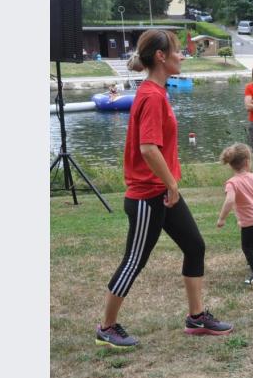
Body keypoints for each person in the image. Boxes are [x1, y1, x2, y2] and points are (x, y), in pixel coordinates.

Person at [95, 30, 233, 349]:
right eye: (177, 51)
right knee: (134, 261)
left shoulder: (156, 91)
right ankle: (107, 326)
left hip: (164, 191)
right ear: (161, 56)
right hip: (149, 195)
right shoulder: (152, 95)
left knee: (195, 246)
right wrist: (171, 183)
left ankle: (197, 317)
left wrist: (170, 184)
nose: (182, 56)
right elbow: (148, 148)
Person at [216, 143, 253, 286]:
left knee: (247, 247)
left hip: (250, 222)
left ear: (231, 165)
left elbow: (229, 201)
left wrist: (222, 218)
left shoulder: (232, 183)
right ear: (247, 161)